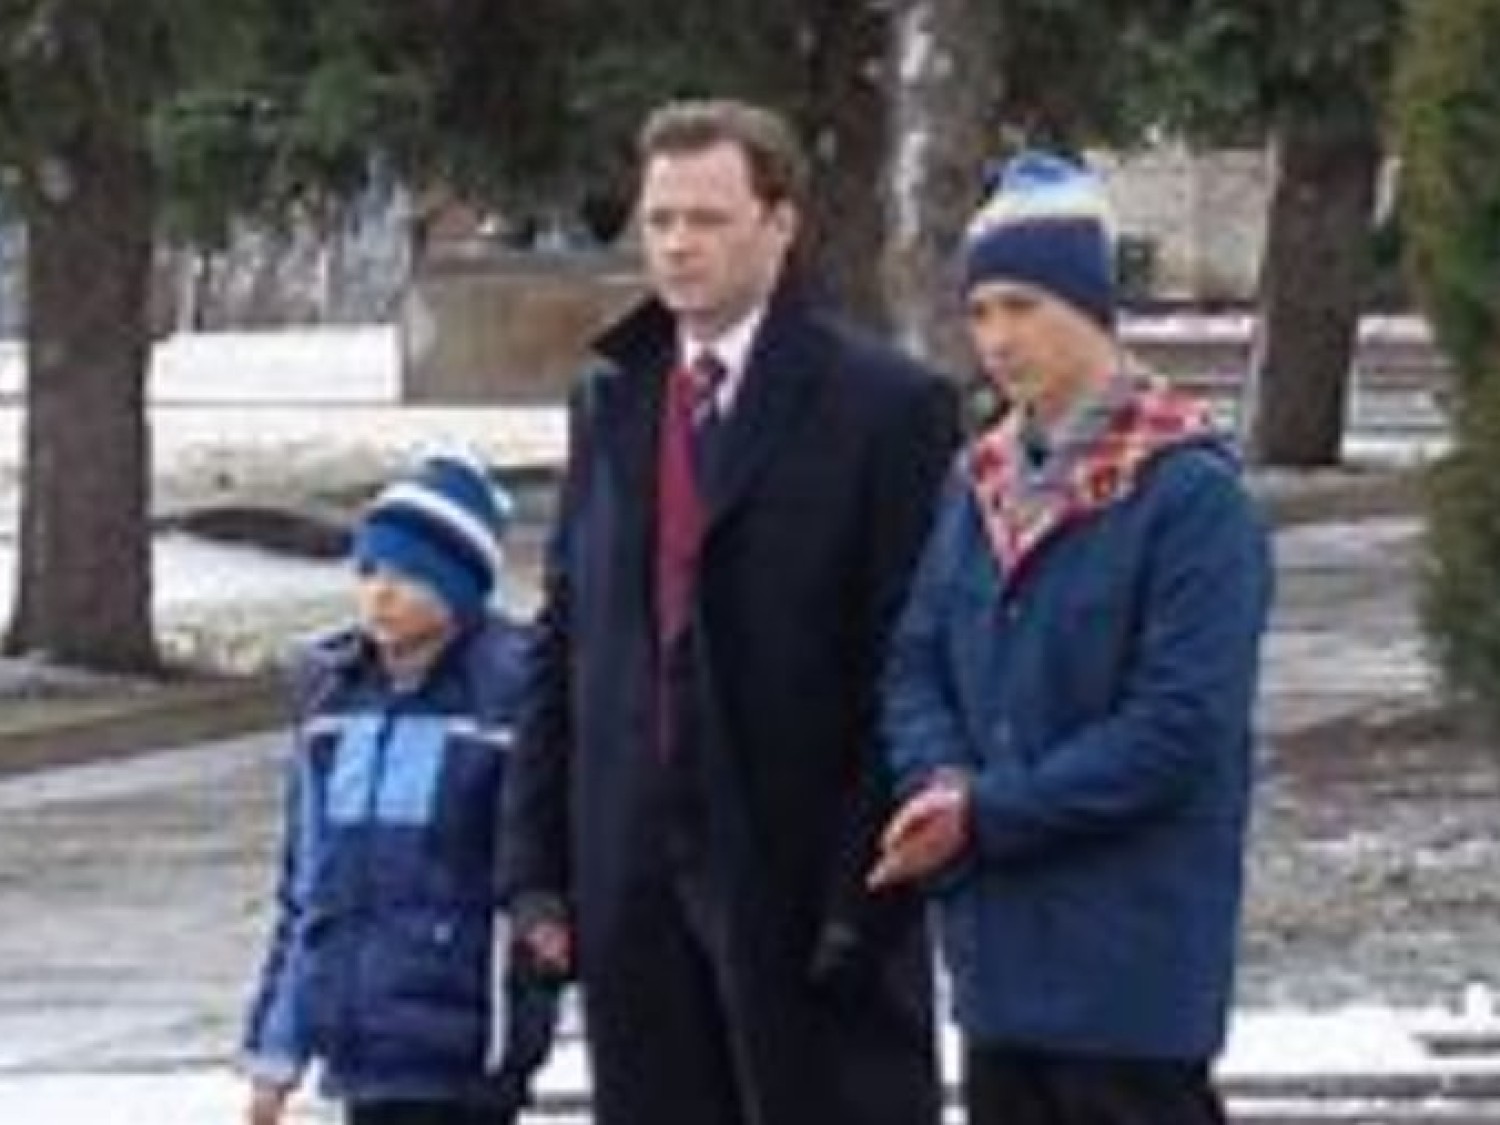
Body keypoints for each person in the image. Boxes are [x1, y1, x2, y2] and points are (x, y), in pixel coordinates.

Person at [503, 98, 956, 1125]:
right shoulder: (613, 397)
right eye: (660, 220)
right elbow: (566, 639)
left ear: (780, 223)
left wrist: (865, 892)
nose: (677, 244)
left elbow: (909, 660)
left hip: (805, 879)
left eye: (707, 219)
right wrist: (535, 870)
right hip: (634, 878)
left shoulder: (884, 407)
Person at [869, 151, 1273, 1125]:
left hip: (1130, 966)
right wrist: (939, 780)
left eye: (1023, 305)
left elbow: (1178, 726)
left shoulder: (1188, 493)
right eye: (980, 312)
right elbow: (917, 661)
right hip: (1000, 960)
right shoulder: (979, 483)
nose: (998, 338)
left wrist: (989, 812)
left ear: (1092, 308)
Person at [241, 452, 560, 1125]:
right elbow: (307, 889)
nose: (380, 594)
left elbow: (533, 861)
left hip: (468, 1043)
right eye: (368, 572)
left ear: (459, 587)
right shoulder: (333, 706)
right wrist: (276, 1053)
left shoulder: (508, 701)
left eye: (408, 576)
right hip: (360, 1039)